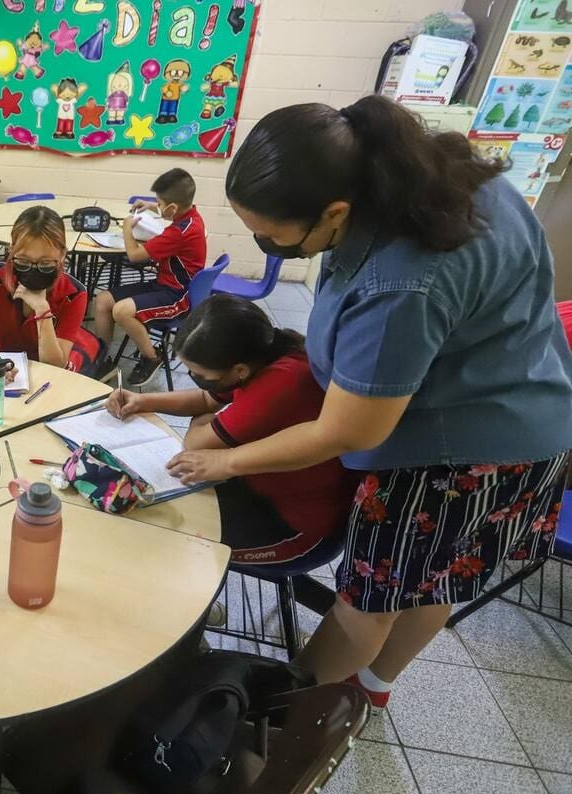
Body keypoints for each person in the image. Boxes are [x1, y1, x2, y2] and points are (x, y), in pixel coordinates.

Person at [168, 95, 572, 710]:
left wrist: (224, 463)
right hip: (529, 415)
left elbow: (346, 430)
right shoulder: (436, 181)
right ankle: (374, 685)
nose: (265, 245)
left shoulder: (402, 281)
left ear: (335, 210)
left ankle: (285, 713)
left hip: (462, 454)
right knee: (441, 572)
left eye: (273, 238)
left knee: (370, 600)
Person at [109, 294, 358, 564]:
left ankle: (196, 602)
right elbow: (206, 400)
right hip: (258, 486)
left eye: (202, 375)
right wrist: (143, 401)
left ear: (238, 370)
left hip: (294, 527)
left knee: (165, 536)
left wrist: (202, 420)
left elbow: (196, 443)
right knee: (156, 510)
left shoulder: (280, 384)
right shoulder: (261, 355)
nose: (197, 381)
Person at [0, 205, 106, 377]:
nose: (33, 270)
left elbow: (55, 365)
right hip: (2, 361)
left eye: (45, 263)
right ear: (11, 250)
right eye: (23, 261)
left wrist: (42, 311)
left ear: (62, 255)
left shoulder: (73, 294)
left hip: (47, 375)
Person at [93, 168, 207, 387]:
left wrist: (127, 228)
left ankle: (152, 357)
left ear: (173, 207)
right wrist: (152, 207)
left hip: (178, 297)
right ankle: (102, 357)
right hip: (163, 285)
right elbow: (171, 211)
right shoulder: (191, 216)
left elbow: (135, 256)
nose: (158, 206)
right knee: (103, 300)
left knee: (121, 311)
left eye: (160, 203)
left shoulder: (179, 233)